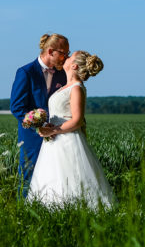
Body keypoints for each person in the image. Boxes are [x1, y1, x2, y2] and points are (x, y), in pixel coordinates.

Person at [27, 51, 116, 209]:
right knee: (53, 175)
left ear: (73, 65)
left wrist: (53, 130)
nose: (65, 58)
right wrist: (47, 126)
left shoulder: (76, 88)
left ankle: (73, 209)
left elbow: (76, 120)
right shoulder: (65, 87)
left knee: (70, 176)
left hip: (66, 139)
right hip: (54, 139)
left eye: (69, 57)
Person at [10, 33, 70, 196]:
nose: (66, 58)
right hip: (32, 137)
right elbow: (17, 107)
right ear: (51, 51)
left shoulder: (63, 74)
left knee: (55, 177)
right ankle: (23, 213)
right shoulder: (25, 72)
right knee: (28, 176)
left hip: (58, 134)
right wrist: (40, 125)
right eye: (64, 53)